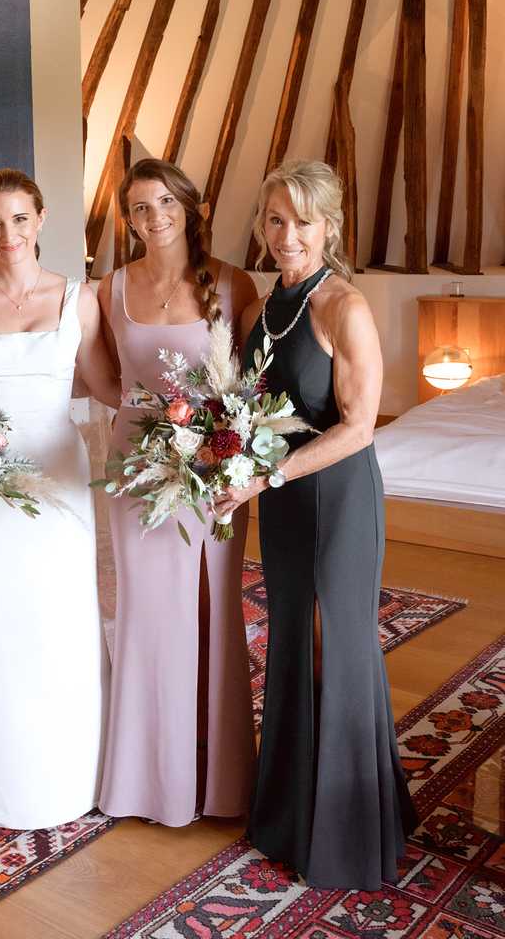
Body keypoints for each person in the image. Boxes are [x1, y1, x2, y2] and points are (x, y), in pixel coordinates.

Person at [214, 159, 417, 890]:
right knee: (293, 640)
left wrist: (266, 476)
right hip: (282, 502)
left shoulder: (343, 306)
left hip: (335, 497)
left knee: (339, 646)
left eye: (302, 221)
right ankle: (289, 816)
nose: (287, 235)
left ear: (329, 226)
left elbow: (358, 427)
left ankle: (349, 832)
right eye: (275, 220)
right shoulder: (261, 309)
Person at [0, 167, 119, 830]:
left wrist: (179, 414)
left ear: (40, 219)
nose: (7, 233)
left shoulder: (78, 298)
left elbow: (103, 385)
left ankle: (71, 774)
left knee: (57, 619)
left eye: (18, 218)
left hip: (59, 479)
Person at [98, 157, 258, 827]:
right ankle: (146, 781)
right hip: (136, 466)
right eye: (139, 207)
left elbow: (250, 388)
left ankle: (218, 779)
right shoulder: (108, 288)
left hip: (212, 467)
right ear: (128, 221)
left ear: (191, 208)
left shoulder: (234, 282)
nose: (154, 216)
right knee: (148, 613)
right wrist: (146, 418)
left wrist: (224, 452)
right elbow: (103, 379)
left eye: (165, 202)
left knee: (211, 610)